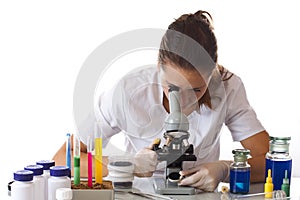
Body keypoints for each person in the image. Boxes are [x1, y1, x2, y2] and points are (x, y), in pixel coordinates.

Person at [53, 10, 269, 192]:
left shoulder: (228, 87)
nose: (184, 102)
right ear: (159, 67)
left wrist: (226, 170)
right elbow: (63, 158)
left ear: (212, 73)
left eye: (196, 89)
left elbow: (271, 161)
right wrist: (126, 165)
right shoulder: (129, 91)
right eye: (173, 89)